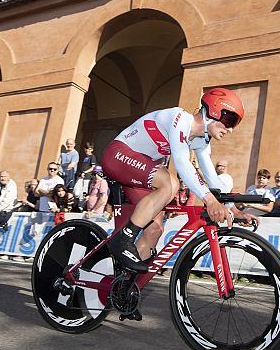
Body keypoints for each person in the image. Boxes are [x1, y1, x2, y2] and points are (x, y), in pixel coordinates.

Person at [101, 87, 257, 272]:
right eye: (230, 120)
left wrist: (233, 209)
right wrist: (210, 201)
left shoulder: (201, 140)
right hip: (118, 155)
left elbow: (211, 177)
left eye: (235, 124)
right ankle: (123, 239)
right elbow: (183, 165)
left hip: (142, 170)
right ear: (214, 111)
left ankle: (122, 288)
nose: (230, 129)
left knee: (154, 231)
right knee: (171, 183)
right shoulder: (180, 118)